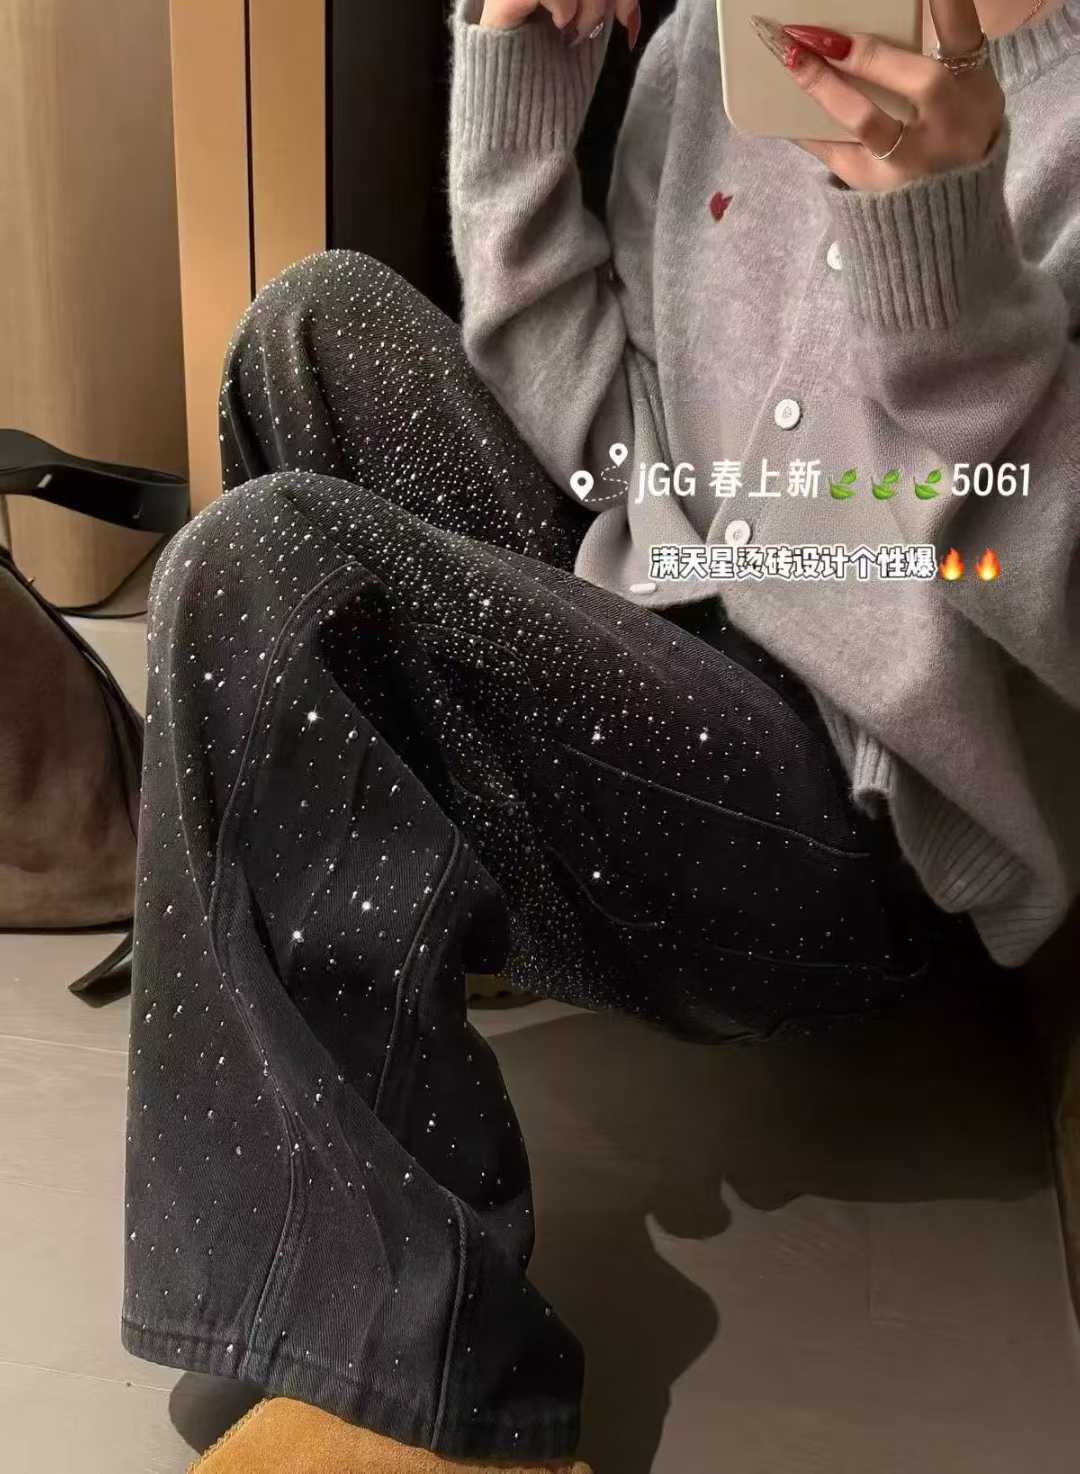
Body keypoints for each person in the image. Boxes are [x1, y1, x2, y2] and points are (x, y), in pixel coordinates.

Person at [123, 0, 1080, 1469]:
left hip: (860, 818)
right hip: (671, 640)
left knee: (267, 564)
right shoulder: (718, 46)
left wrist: (949, 270)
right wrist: (523, 92)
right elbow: (612, 453)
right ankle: (431, 954)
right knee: (308, 326)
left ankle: (417, 1393)